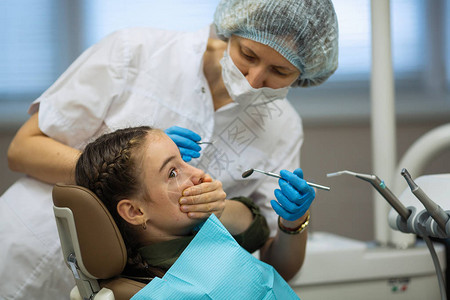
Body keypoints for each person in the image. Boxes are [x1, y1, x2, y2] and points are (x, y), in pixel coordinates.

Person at [1, 0, 338, 298]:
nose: (253, 78)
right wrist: (125, 165)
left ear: (303, 74)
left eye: (280, 71)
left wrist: (293, 222)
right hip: (26, 247)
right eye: (248, 55)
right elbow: (22, 149)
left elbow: (275, 256)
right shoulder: (136, 51)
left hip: (139, 286)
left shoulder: (283, 127)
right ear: (231, 30)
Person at [74, 126, 304, 282]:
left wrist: (219, 210)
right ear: (135, 211)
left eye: (183, 161)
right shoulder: (177, 285)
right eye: (173, 172)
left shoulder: (192, 238)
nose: (199, 173)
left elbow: (256, 229)